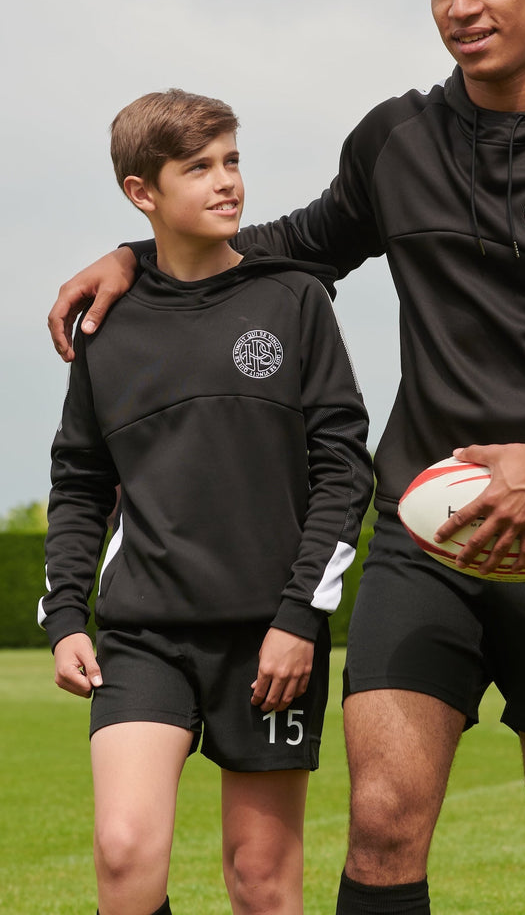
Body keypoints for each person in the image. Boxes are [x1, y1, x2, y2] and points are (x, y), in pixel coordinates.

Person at [47, 0, 525, 913]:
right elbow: (293, 246)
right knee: (385, 817)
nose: (460, 5)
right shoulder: (397, 138)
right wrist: (142, 255)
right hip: (422, 534)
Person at [39, 88, 372, 915]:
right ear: (141, 192)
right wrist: (67, 617)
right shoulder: (108, 325)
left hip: (269, 638)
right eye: (198, 168)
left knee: (260, 881)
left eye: (232, 160)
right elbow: (79, 481)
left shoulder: (294, 299)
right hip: (143, 633)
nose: (227, 181)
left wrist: (300, 617)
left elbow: (343, 470)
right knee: (123, 852)